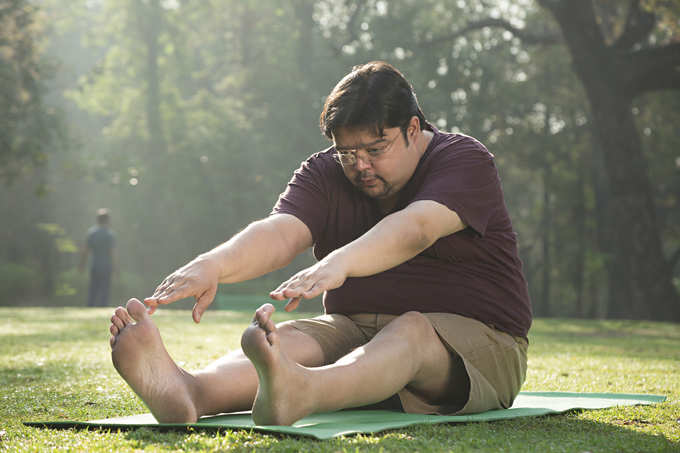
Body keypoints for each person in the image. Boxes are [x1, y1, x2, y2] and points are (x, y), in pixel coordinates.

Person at [108, 61, 532, 426]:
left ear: (413, 128)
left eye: (375, 148)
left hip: (481, 346)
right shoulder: (326, 172)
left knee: (412, 330)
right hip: (359, 331)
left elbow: (417, 227)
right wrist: (213, 265)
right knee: (288, 342)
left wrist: (341, 263)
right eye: (347, 152)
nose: (359, 164)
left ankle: (303, 391)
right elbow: (280, 232)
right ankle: (190, 392)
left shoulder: (463, 159)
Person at [80, 208, 116, 307]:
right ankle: (103, 307)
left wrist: (82, 265)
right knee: (105, 289)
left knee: (93, 288)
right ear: (108, 220)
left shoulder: (92, 233)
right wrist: (116, 268)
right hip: (106, 265)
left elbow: (86, 251)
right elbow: (112, 253)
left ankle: (90, 306)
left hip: (94, 265)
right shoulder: (110, 234)